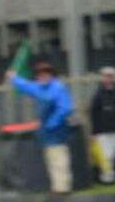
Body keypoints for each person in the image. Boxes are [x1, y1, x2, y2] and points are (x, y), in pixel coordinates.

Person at [6, 61, 74, 194]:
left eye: (45, 73)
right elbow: (27, 86)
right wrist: (14, 78)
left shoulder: (57, 88)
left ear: (51, 74)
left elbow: (65, 108)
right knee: (51, 158)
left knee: (59, 158)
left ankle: (63, 188)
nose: (42, 76)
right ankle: (58, 187)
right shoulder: (41, 87)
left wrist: (52, 123)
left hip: (56, 130)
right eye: (40, 74)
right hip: (46, 130)